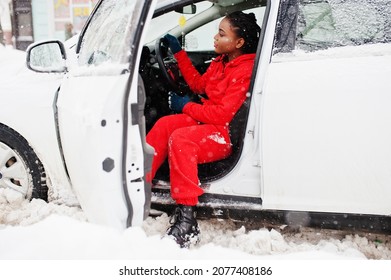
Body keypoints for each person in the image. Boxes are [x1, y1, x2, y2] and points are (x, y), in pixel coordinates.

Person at [146, 11, 261, 248]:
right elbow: (199, 85)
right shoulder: (221, 62)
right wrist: (178, 53)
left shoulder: (244, 70)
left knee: (181, 139)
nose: (215, 38)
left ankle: (187, 219)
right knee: (165, 124)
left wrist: (186, 106)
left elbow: (222, 115)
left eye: (221, 34)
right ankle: (137, 186)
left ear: (239, 42)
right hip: (207, 122)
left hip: (223, 134)